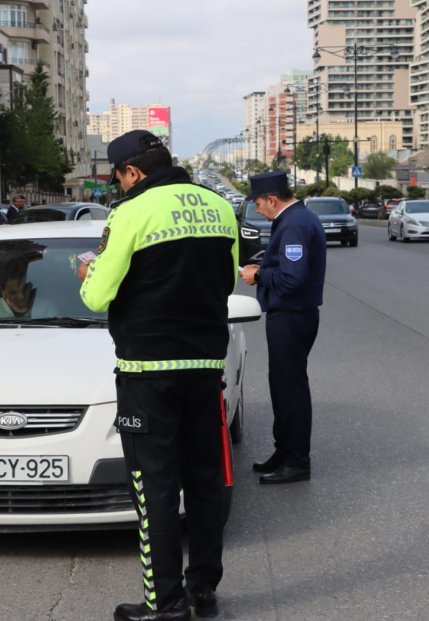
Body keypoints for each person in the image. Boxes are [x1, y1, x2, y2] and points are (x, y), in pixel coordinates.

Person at [78, 130, 239, 621]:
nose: (119, 187)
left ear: (132, 172)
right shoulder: (219, 207)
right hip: (206, 368)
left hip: (149, 374)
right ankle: (203, 591)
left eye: (118, 178)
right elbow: (228, 279)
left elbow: (96, 296)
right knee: (206, 482)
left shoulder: (130, 212)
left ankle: (163, 603)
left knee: (156, 489)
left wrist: (87, 273)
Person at [239, 171, 326, 485]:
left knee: (290, 391)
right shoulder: (294, 219)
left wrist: (258, 276)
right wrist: (262, 268)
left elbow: (292, 279)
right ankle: (284, 451)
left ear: (272, 199)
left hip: (292, 316)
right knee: (282, 387)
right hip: (289, 315)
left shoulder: (294, 224)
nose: (258, 210)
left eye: (259, 203)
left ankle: (296, 461)